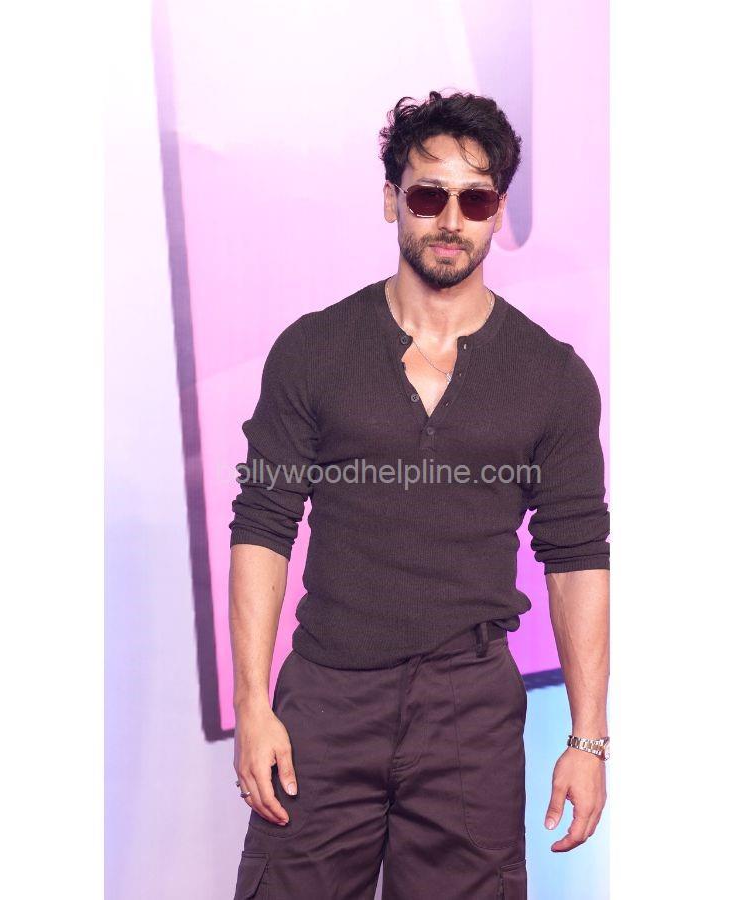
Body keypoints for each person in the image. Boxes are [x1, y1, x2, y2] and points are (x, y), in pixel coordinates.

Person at [227, 89, 610, 900]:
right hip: (327, 696)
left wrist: (588, 738)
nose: (451, 220)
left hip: (471, 712)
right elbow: (263, 523)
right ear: (392, 199)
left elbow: (576, 556)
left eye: (476, 200)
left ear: (497, 212)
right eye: (429, 195)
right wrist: (252, 703)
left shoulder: (552, 377)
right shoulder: (313, 350)